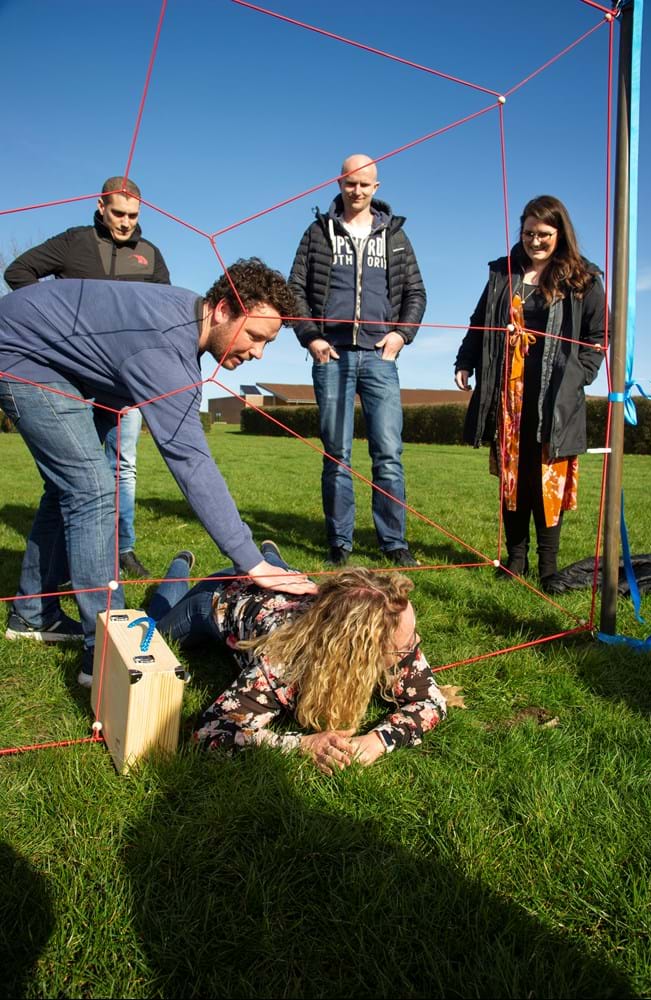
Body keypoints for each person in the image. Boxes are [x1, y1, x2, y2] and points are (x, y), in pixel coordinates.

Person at [0, 258, 315, 684]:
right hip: (18, 353)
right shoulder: (166, 350)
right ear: (223, 310)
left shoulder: (182, 327)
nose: (258, 352)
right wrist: (252, 562)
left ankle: (33, 614)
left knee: (71, 488)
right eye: (257, 337)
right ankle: (105, 650)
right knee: (93, 490)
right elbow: (190, 461)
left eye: (267, 344)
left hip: (46, 355)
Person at [149, 541, 448, 771]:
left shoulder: (394, 626)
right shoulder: (284, 660)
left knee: (280, 572)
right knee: (151, 633)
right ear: (359, 652)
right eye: (405, 644)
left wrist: (377, 742)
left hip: (284, 582)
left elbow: (431, 700)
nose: (416, 644)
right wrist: (301, 745)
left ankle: (269, 555)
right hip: (219, 597)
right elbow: (211, 731)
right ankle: (180, 566)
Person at [4, 175, 171, 578]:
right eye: (118, 213)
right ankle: (77, 557)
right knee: (76, 477)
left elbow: (162, 311)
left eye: (133, 215)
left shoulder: (149, 254)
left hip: (121, 382)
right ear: (100, 206)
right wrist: (53, 321)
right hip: (72, 378)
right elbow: (18, 271)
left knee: (122, 464)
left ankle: (121, 548)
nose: (126, 222)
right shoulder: (75, 242)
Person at [454, 195, 607, 589]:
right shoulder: (503, 274)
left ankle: (548, 565)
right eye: (528, 233)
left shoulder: (583, 278)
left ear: (560, 234)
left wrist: (580, 375)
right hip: (509, 395)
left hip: (555, 396)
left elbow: (598, 336)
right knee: (514, 478)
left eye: (543, 234)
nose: (535, 241)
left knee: (547, 481)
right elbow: (480, 322)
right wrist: (465, 361)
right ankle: (515, 560)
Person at [289, 154, 427, 568]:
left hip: (379, 359)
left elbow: (416, 294)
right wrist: (311, 337)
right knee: (337, 454)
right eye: (351, 184)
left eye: (365, 184)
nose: (357, 191)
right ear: (340, 183)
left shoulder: (396, 237)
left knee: (388, 453)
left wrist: (400, 336)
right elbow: (295, 289)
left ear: (376, 187)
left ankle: (392, 542)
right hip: (331, 354)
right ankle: (339, 542)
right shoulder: (318, 233)